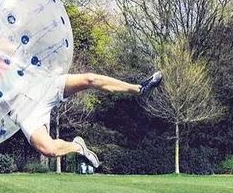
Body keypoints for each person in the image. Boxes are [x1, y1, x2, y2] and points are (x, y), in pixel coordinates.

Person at [8, 71, 162, 168]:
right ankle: (78, 148)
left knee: (89, 79)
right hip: (22, 110)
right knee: (49, 149)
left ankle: (139, 89)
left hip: (40, 85)